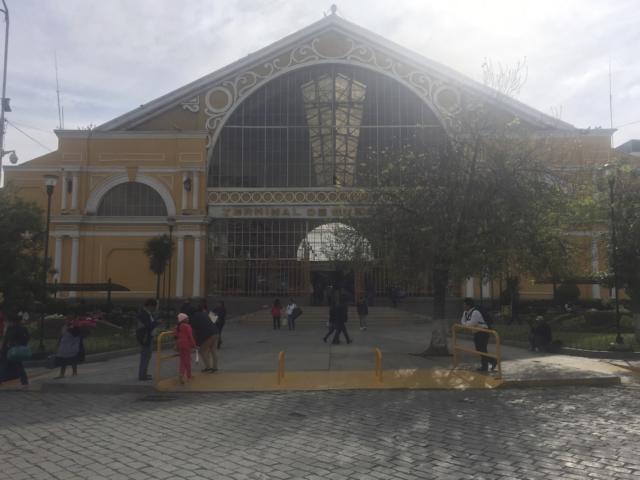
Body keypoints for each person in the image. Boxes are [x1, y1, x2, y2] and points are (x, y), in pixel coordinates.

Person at [461, 297, 497, 372]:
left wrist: (466, 324)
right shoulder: (465, 312)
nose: (463, 306)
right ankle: (492, 361)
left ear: (468, 305)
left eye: (464, 305)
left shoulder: (475, 312)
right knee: (479, 349)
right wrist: (466, 324)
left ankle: (485, 367)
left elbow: (471, 324)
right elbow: (462, 322)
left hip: (483, 331)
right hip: (476, 332)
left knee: (482, 349)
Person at [0, 315, 30, 386]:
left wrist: (3, 349)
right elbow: (27, 338)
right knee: (18, 366)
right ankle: (24, 381)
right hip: (14, 350)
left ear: (12, 322)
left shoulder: (12, 329)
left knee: (3, 365)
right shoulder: (21, 328)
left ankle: (1, 380)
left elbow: (6, 340)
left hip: (11, 350)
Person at [190, 301, 219, 373]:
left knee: (202, 351)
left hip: (208, 334)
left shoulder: (195, 315)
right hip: (216, 332)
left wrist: (195, 342)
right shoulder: (209, 312)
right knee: (213, 350)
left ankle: (208, 367)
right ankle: (215, 368)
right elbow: (217, 320)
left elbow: (193, 329)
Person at [136, 298, 160, 381]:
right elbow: (148, 326)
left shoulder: (147, 313)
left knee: (147, 356)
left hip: (147, 336)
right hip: (145, 337)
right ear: (150, 306)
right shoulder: (144, 314)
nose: (155, 309)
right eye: (154, 307)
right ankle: (142, 375)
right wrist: (157, 322)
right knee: (145, 356)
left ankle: (144, 374)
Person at [175, 313, 197, 384]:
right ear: (184, 320)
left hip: (180, 344)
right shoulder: (187, 326)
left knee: (183, 360)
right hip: (186, 344)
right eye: (187, 318)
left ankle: (187, 375)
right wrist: (194, 345)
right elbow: (190, 336)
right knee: (187, 361)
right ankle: (184, 375)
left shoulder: (178, 327)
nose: (188, 319)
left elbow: (175, 336)